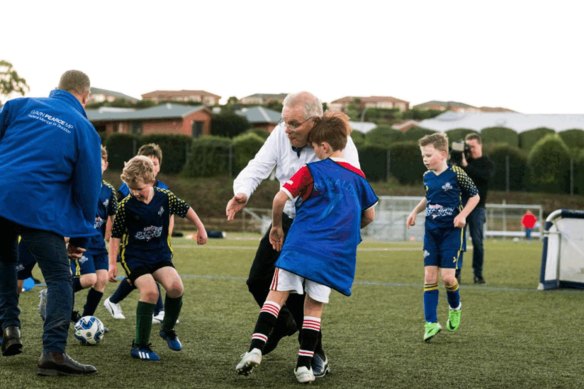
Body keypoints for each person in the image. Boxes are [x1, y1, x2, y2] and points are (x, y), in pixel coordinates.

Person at [226, 91, 360, 377]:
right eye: (284, 122)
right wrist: (242, 192)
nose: (287, 129)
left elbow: (355, 191)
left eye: (294, 124)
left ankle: (314, 354)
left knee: (307, 294)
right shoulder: (279, 133)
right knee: (258, 280)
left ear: (315, 121)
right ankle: (284, 323)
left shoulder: (340, 144)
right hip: (287, 222)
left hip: (321, 231)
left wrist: (343, 234)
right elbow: (258, 166)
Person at [0, 70, 101, 375]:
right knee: (58, 277)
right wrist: (82, 236)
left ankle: (9, 328)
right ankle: (53, 353)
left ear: (57, 88)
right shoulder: (84, 128)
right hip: (38, 208)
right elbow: (88, 188)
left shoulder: (18, 105)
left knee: (5, 261)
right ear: (86, 96)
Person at [108, 155, 208, 361]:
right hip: (135, 257)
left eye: (139, 189)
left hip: (159, 253)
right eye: (131, 189)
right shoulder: (126, 205)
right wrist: (112, 264)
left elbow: (186, 208)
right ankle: (139, 345)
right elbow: (115, 236)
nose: (135, 193)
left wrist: (201, 228)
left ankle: (167, 330)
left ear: (152, 181)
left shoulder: (165, 197)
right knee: (150, 292)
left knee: (176, 288)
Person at [406, 133, 479, 342]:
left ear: (443, 154)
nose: (425, 159)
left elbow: (475, 195)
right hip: (431, 232)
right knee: (429, 277)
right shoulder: (426, 176)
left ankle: (455, 306)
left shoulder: (457, 173)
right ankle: (430, 323)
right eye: (423, 156)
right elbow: (428, 197)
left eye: (429, 155)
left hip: (451, 233)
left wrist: (463, 215)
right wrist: (414, 212)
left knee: (448, 278)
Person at [104, 143, 170, 323]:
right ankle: (160, 310)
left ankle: (114, 300)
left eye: (155, 163)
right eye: (149, 162)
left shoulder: (163, 187)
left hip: (156, 238)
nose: (152, 166)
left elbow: (169, 212)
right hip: (132, 239)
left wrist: (168, 232)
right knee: (147, 269)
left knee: (145, 272)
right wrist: (110, 232)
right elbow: (114, 209)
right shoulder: (129, 185)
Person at [69, 145, 117, 322]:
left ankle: (86, 321)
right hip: (82, 243)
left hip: (99, 245)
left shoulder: (109, 190)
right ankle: (56, 292)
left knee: (101, 280)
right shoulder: (80, 185)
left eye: (101, 163)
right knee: (89, 279)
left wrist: (114, 237)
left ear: (106, 165)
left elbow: (114, 217)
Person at [460, 133, 494, 284]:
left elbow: (484, 177)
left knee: (478, 242)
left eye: (473, 146)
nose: (471, 150)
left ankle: (478, 274)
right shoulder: (464, 162)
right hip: (461, 207)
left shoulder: (486, 163)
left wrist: (467, 166)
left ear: (480, 145)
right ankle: (455, 273)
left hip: (478, 208)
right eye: (468, 147)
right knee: (458, 241)